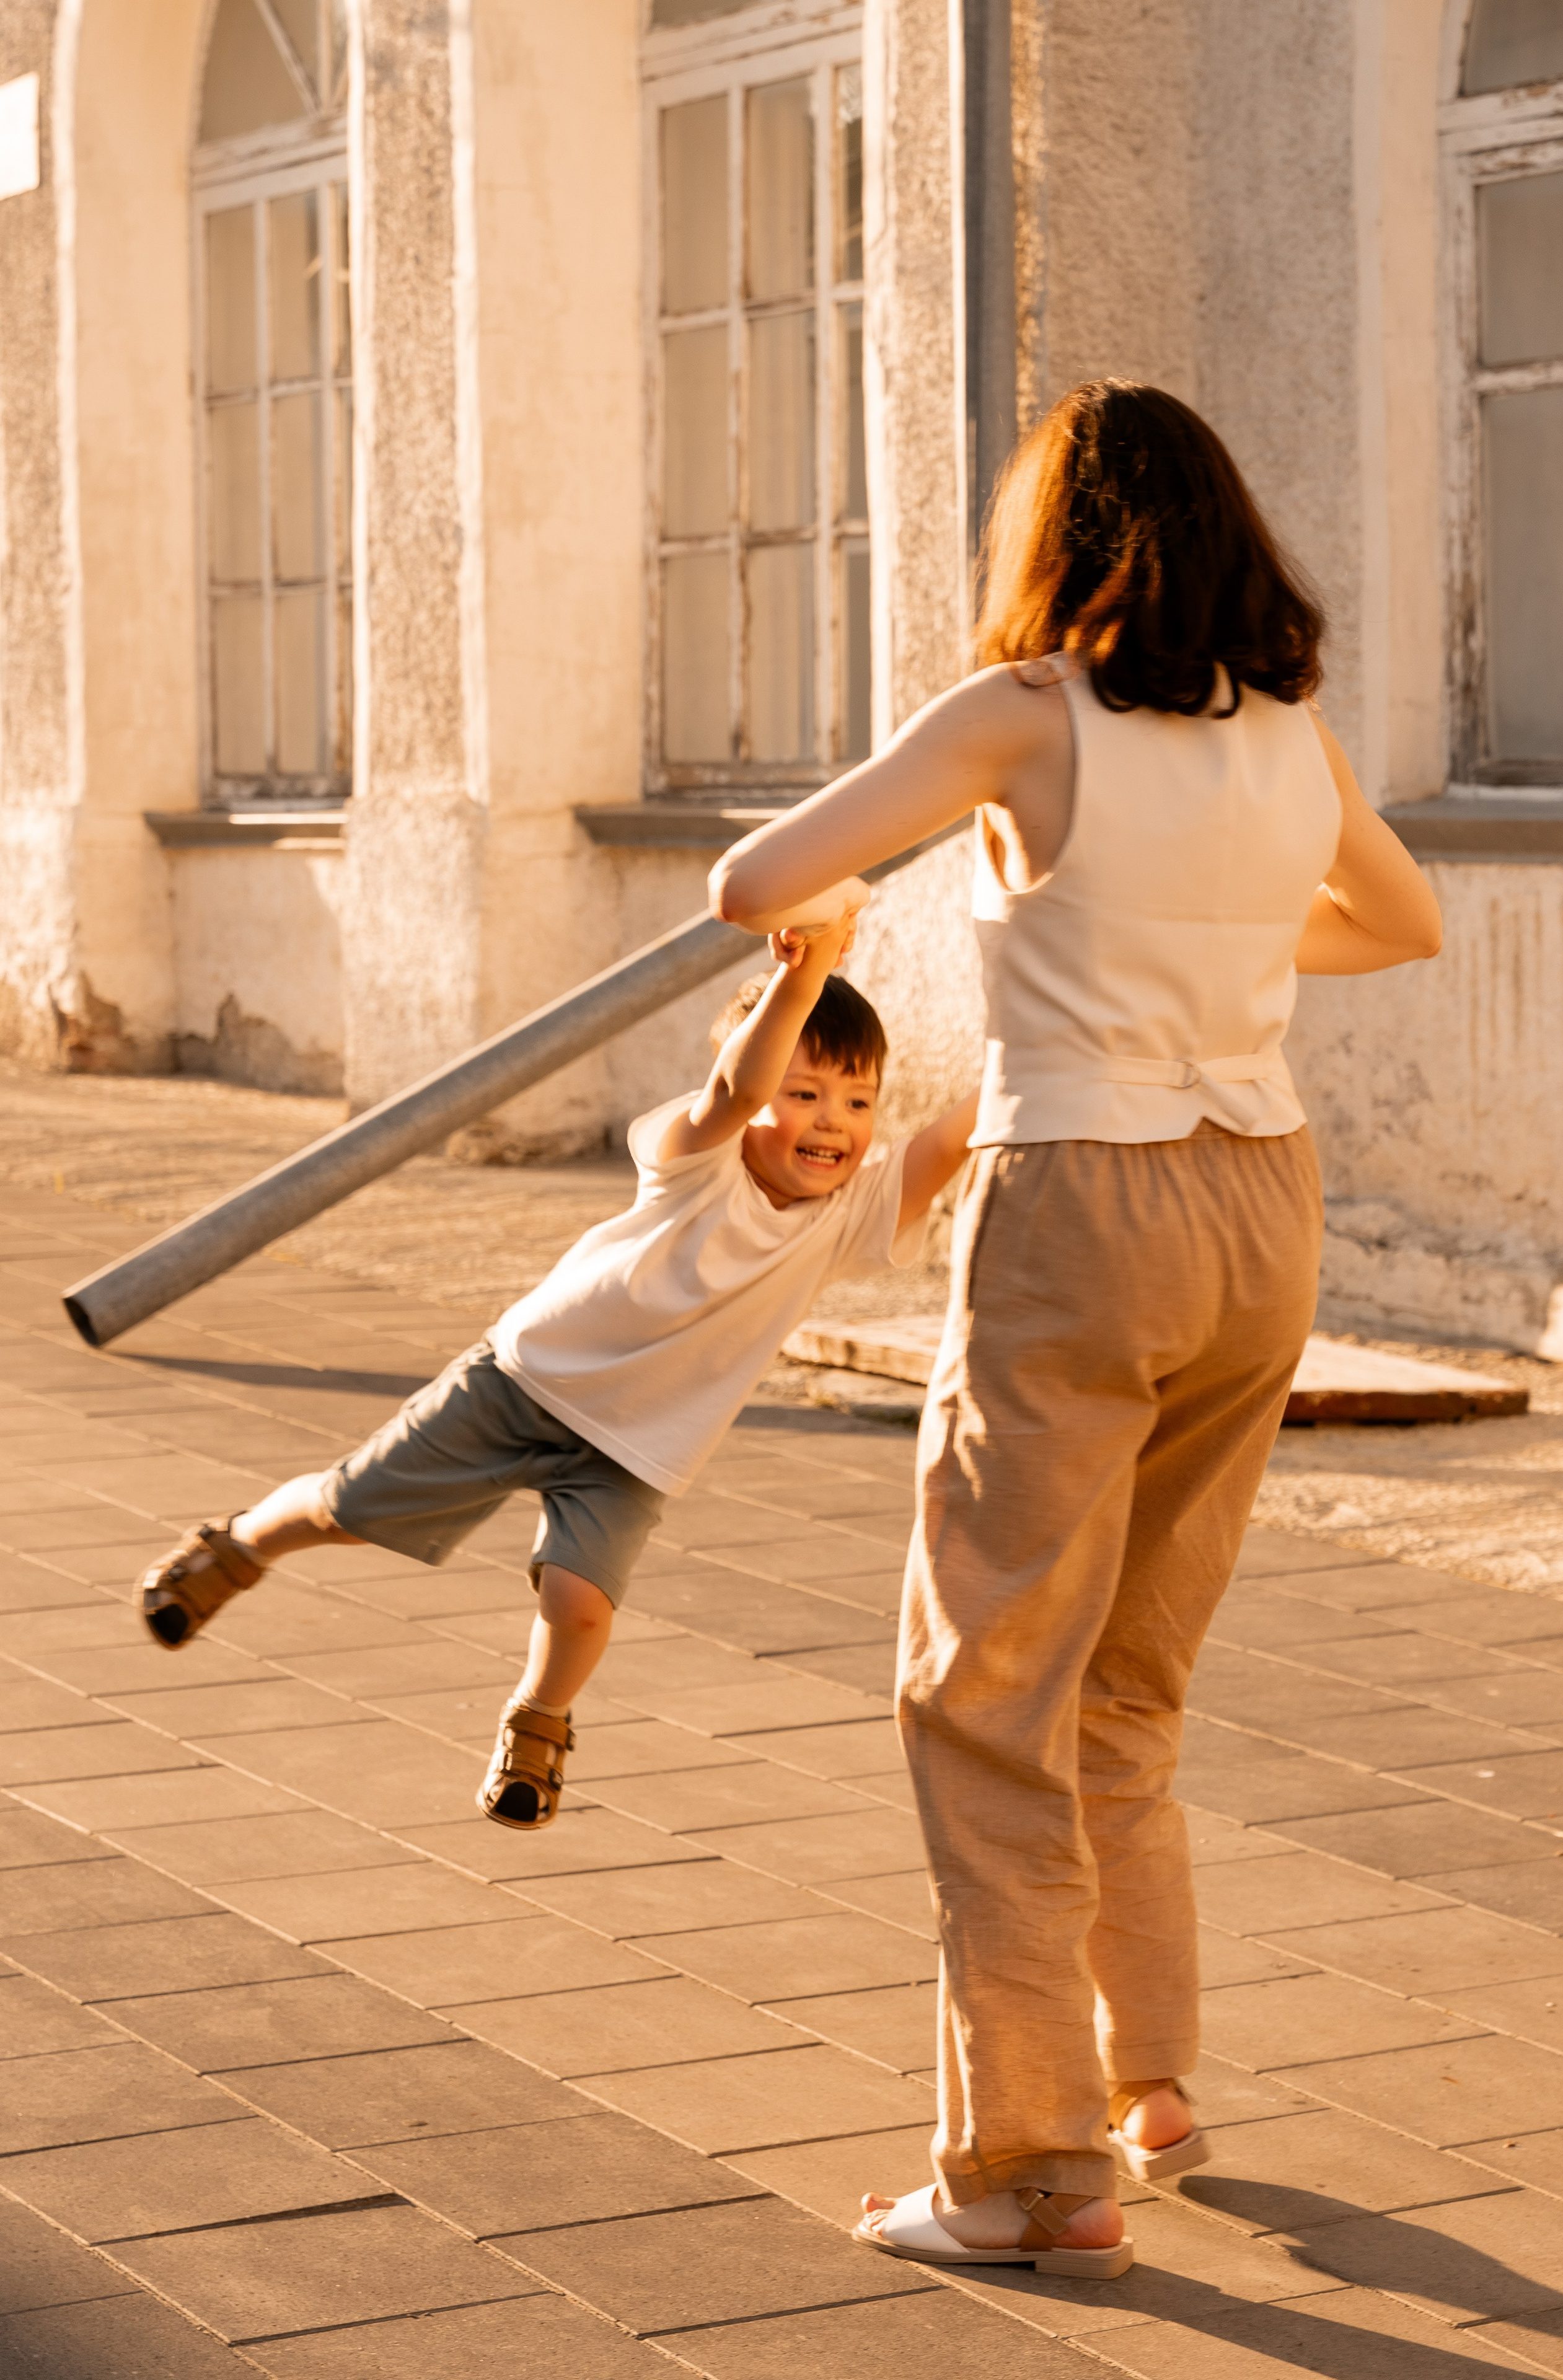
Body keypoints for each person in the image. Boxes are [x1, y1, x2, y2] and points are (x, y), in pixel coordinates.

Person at [708, 381, 1442, 2281]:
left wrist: (859, 906)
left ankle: (1028, 2176)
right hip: (1262, 1200)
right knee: (1127, 1679)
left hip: (1085, 1207)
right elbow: (1403, 923)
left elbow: (749, 883)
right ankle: (1152, 2086)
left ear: (1049, 536)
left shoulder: (1020, 716)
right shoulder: (1286, 727)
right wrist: (1225, 943)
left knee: (983, 1694)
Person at [137, 910, 977, 1830]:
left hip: (636, 1449)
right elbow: (737, 1089)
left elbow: (948, 1143)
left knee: (580, 1603)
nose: (834, 1123)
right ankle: (240, 1546)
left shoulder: (848, 1216)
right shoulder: (698, 1160)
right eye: (805, 1093)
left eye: (859, 1103)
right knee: (348, 1508)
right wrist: (803, 973)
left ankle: (539, 1720)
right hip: (524, 1384)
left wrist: (1054, 1047)